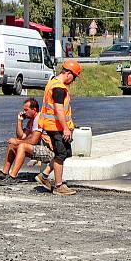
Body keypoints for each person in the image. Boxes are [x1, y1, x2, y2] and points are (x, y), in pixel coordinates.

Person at [38, 59, 81, 196]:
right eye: (73, 77)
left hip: (54, 125)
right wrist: (66, 129)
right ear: (68, 73)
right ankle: (58, 186)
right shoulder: (59, 88)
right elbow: (59, 109)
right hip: (56, 127)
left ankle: (44, 176)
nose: (73, 81)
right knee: (61, 154)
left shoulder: (53, 83)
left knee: (66, 153)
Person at [0, 98, 52, 184]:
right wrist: (19, 121)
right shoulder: (31, 121)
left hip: (49, 151)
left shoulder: (39, 119)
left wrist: (17, 142)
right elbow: (21, 136)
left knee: (22, 146)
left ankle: (13, 177)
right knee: (12, 145)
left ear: (34, 109)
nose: (24, 112)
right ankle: (4, 173)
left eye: (26, 110)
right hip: (39, 149)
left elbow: (33, 141)